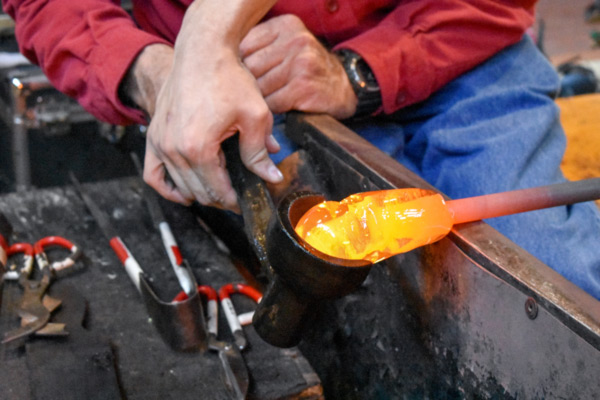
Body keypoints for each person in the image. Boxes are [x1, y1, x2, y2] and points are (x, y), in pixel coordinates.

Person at [3, 0, 599, 301]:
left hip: (451, 46)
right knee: (353, 305)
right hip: (243, 91)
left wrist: (361, 72)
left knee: (555, 290)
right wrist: (158, 72)